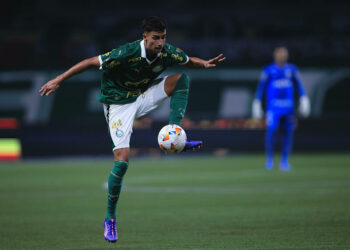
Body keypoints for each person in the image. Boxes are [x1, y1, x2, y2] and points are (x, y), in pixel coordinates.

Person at [39, 16, 225, 243]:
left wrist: (204, 63)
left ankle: (174, 134)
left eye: (163, 38)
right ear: (144, 37)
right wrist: (58, 79)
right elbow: (90, 62)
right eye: (156, 38)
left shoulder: (167, 52)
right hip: (118, 105)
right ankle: (110, 220)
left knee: (181, 79)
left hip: (142, 96)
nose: (160, 43)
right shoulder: (126, 53)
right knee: (122, 159)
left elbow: (188, 61)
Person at [252, 46, 310, 171]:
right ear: (275, 55)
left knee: (288, 133)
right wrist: (257, 102)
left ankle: (284, 161)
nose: (282, 56)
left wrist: (304, 98)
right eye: (280, 54)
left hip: (288, 107)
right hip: (273, 107)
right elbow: (261, 87)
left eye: (284, 54)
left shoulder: (292, 69)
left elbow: (299, 85)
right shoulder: (268, 70)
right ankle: (270, 160)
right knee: (271, 131)